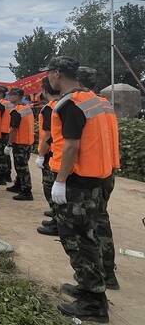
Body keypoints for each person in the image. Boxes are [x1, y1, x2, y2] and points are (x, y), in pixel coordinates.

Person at [46, 56, 114, 322]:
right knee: (89, 235)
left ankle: (94, 302)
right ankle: (88, 287)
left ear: (57, 74)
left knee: (77, 239)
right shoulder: (95, 100)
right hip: (98, 178)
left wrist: (60, 181)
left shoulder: (70, 104)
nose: (49, 77)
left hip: (79, 183)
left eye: (50, 73)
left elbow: (72, 146)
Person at [76, 66, 120, 290]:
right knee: (102, 221)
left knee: (89, 227)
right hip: (107, 169)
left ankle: (97, 280)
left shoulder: (82, 103)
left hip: (92, 173)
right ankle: (109, 273)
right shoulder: (104, 103)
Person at [36, 77, 60, 236]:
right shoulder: (64, 104)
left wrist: (41, 155)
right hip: (59, 151)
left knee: (49, 185)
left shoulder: (49, 108)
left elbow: (48, 135)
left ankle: (58, 221)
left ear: (45, 91)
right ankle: (57, 216)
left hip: (51, 152)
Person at [4, 88, 34, 200]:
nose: (9, 97)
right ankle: (19, 185)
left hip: (20, 142)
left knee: (22, 167)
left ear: (17, 96)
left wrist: (9, 144)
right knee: (21, 166)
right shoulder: (27, 108)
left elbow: (14, 129)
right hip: (27, 142)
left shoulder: (17, 111)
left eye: (11, 95)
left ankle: (26, 191)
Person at [0, 85, 14, 184]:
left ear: (0, 94)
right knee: (6, 155)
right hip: (8, 131)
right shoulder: (9, 103)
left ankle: (1, 178)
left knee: (0, 155)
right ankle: (7, 175)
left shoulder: (0, 104)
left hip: (0, 132)